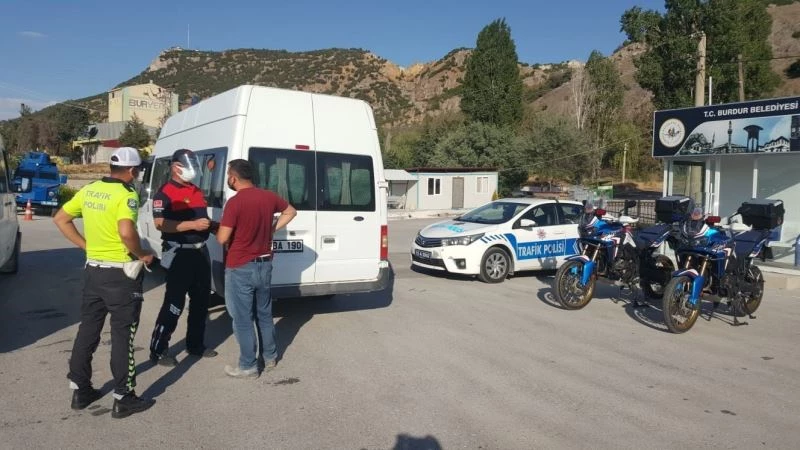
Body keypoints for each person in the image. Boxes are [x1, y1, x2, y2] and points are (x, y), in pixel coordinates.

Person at [53, 146, 156, 419]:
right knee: (123, 334)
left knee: (88, 329)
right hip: (121, 275)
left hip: (93, 272)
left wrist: (86, 246)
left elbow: (61, 219)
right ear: (132, 170)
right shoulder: (127, 195)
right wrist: (143, 254)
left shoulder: (90, 190)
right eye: (137, 171)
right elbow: (126, 232)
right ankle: (124, 396)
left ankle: (80, 389)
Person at [216, 159, 297, 378]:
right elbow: (291, 211)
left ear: (233, 178)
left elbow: (222, 238)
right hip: (264, 264)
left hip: (240, 266)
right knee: (264, 314)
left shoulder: (235, 203)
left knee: (242, 319)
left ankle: (248, 366)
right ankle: (270, 357)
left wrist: (219, 230)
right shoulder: (268, 196)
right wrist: (272, 229)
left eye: (228, 176)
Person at [149, 149, 219, 366]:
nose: (193, 169)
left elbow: (202, 220)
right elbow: (160, 223)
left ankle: (195, 344)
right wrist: (192, 225)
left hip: (200, 251)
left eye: (194, 164)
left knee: (201, 302)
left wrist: (216, 228)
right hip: (179, 252)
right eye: (189, 164)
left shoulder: (196, 190)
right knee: (174, 303)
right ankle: (158, 349)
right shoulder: (165, 193)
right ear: (176, 167)